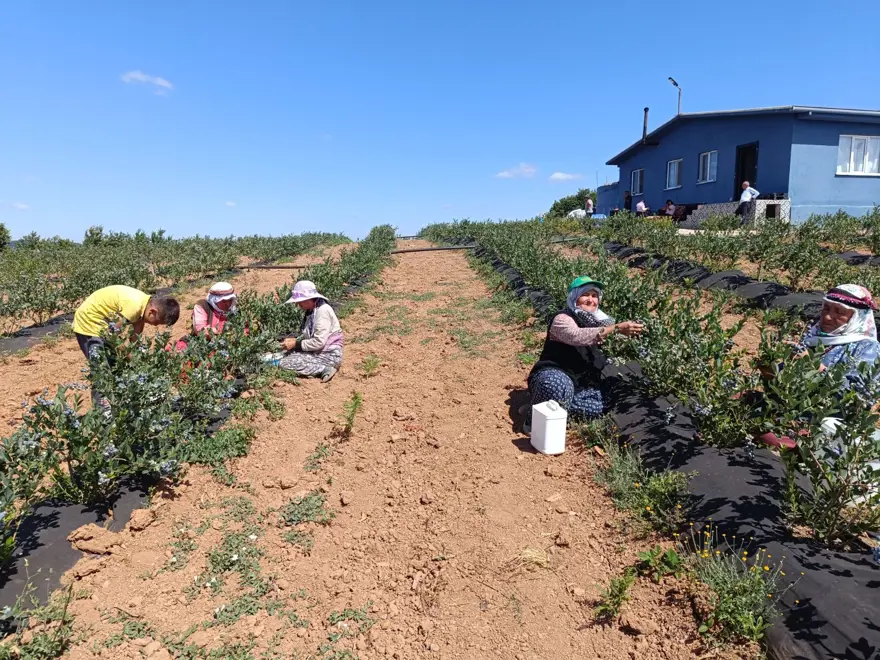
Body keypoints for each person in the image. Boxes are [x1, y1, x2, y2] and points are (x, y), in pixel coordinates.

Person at [756, 284, 880, 447]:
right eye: (826, 309)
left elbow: (857, 399)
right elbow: (785, 386)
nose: (828, 317)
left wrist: (811, 364)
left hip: (829, 421)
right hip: (792, 412)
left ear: (857, 318)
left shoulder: (867, 348)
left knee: (773, 438)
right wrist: (772, 370)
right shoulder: (813, 337)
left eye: (839, 312)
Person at [524, 277, 644, 434]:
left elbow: (617, 346)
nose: (591, 300)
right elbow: (577, 335)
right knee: (556, 385)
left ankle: (552, 407)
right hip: (555, 374)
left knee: (602, 404)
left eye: (594, 296)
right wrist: (615, 329)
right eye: (585, 295)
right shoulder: (562, 319)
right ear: (574, 297)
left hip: (581, 386)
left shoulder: (602, 323)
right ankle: (534, 421)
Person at [73, 285, 180, 408]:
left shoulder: (144, 307)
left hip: (104, 325)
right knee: (101, 371)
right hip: (90, 323)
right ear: (153, 312)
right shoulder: (135, 306)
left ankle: (118, 406)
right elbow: (113, 337)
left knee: (115, 366)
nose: (155, 325)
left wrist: (140, 360)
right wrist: (131, 359)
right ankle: (103, 414)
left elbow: (135, 339)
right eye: (157, 322)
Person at [268, 280, 343, 382]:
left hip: (328, 355)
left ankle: (323, 369)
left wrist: (296, 344)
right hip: (319, 352)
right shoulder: (313, 310)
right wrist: (294, 341)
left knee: (285, 363)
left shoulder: (322, 312)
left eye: (300, 301)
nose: (298, 304)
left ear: (308, 299)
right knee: (287, 354)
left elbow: (319, 342)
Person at [172, 282, 239, 352]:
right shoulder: (202, 306)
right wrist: (221, 332)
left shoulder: (233, 308)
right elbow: (200, 331)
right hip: (202, 341)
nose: (228, 304)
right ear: (215, 300)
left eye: (230, 300)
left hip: (226, 341)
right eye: (224, 301)